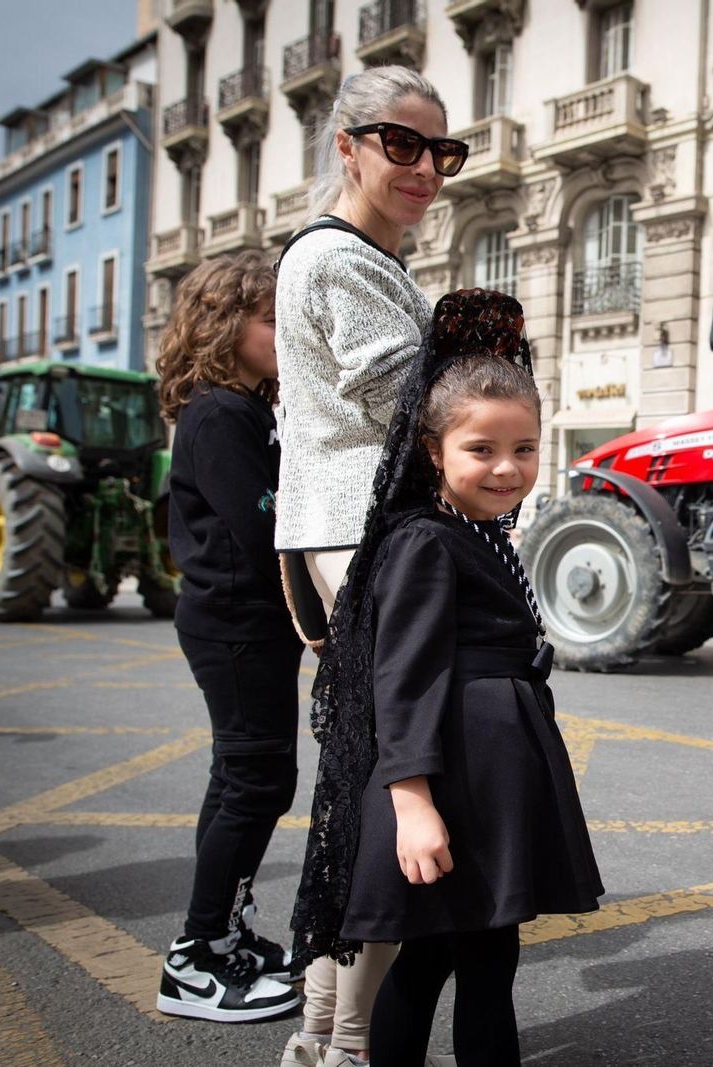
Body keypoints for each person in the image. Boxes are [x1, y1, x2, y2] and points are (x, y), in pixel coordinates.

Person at [291, 290, 603, 1067]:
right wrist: (413, 802)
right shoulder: (427, 540)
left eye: (525, 448)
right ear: (434, 450)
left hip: (489, 763)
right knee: (480, 963)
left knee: (436, 956)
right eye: (482, 449)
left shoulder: (478, 527)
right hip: (454, 775)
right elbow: (403, 678)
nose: (507, 467)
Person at [274, 64, 465, 1067]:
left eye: (442, 151)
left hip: (353, 536)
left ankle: (321, 1034)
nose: (426, 167)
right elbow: (419, 402)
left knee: (360, 782)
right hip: (371, 540)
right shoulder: (339, 259)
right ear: (344, 145)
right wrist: (488, 365)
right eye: (401, 143)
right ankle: (348, 1043)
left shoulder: (365, 258)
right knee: (407, 784)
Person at [152, 252, 305, 1022]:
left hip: (244, 624)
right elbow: (262, 524)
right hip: (236, 625)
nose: (289, 334)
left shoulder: (243, 408)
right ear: (222, 328)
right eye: (273, 320)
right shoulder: (220, 413)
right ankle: (196, 956)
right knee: (256, 781)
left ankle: (220, 932)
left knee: (245, 778)